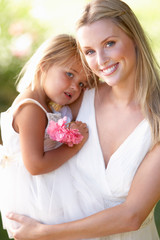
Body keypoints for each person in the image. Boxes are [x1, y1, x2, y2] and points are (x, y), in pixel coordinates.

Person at [6, 0, 160, 239]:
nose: (100, 60)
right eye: (89, 51)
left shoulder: (156, 118)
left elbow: (132, 215)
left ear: (134, 38)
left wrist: (43, 232)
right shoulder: (77, 99)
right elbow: (26, 127)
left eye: (109, 43)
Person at [0, 33, 92, 238]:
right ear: (44, 64)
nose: (74, 87)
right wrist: (74, 146)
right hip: (36, 201)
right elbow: (36, 165)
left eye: (81, 84)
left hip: (42, 196)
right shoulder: (31, 108)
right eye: (69, 74)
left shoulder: (44, 103)